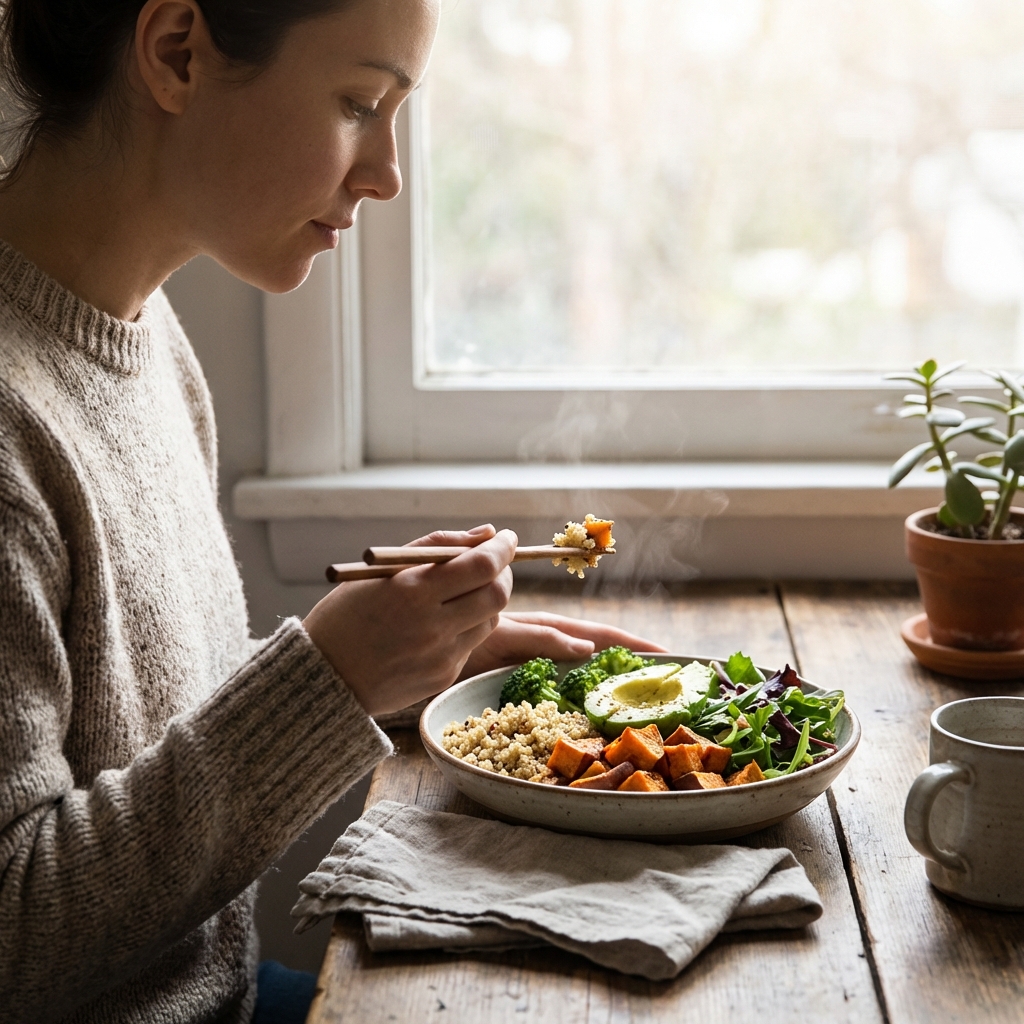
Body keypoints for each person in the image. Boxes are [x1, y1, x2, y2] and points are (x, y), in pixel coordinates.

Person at [0, 1, 663, 1021]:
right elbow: (16, 930)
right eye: (360, 102)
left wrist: (398, 673)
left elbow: (132, 732)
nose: (386, 171)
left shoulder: (146, 339)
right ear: (177, 52)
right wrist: (329, 677)